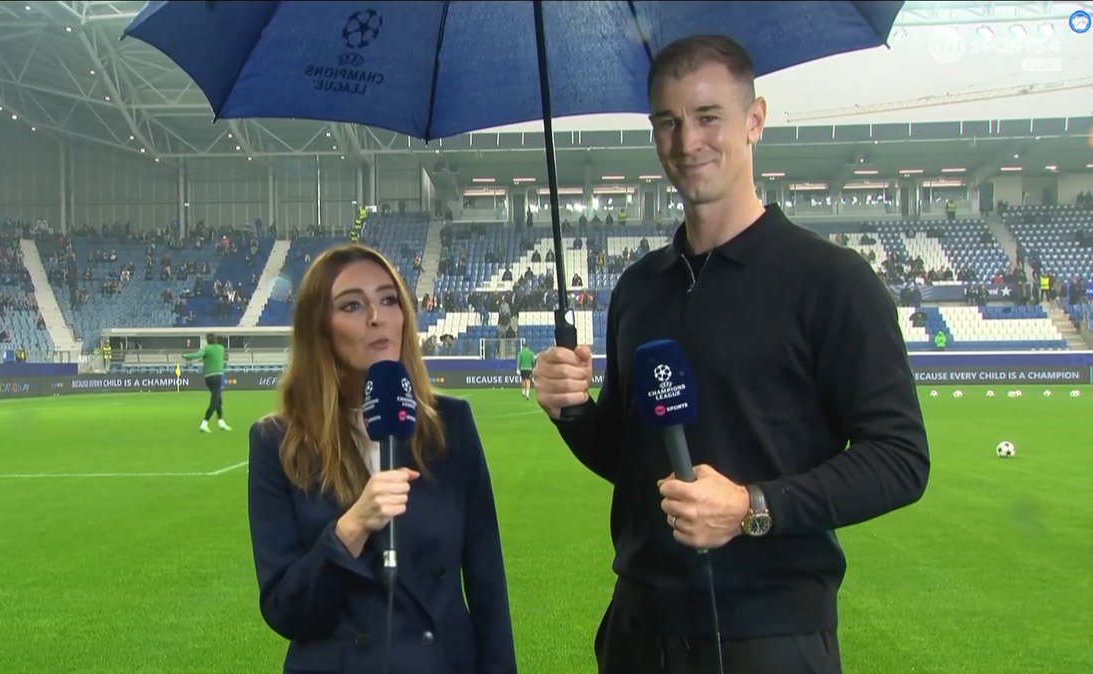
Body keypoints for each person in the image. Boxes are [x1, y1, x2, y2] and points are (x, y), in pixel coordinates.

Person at [532, 35, 930, 674]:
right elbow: (634, 461)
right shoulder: (639, 288)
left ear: (755, 120)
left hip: (772, 635)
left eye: (708, 116)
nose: (687, 141)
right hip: (639, 631)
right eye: (668, 121)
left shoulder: (831, 280)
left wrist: (753, 507)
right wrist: (572, 411)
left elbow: (901, 459)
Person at [247, 244, 517, 674]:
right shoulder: (276, 442)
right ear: (320, 328)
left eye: (389, 299)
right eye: (352, 305)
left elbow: (488, 585)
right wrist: (351, 529)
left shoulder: (451, 424)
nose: (377, 317)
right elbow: (285, 609)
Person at [182, 333, 230, 433]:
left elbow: (198, 355)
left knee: (218, 399)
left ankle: (221, 422)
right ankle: (204, 424)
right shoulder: (220, 348)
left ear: (207, 340)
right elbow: (220, 360)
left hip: (208, 377)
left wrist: (186, 355)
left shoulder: (207, 349)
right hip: (218, 376)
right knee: (215, 401)